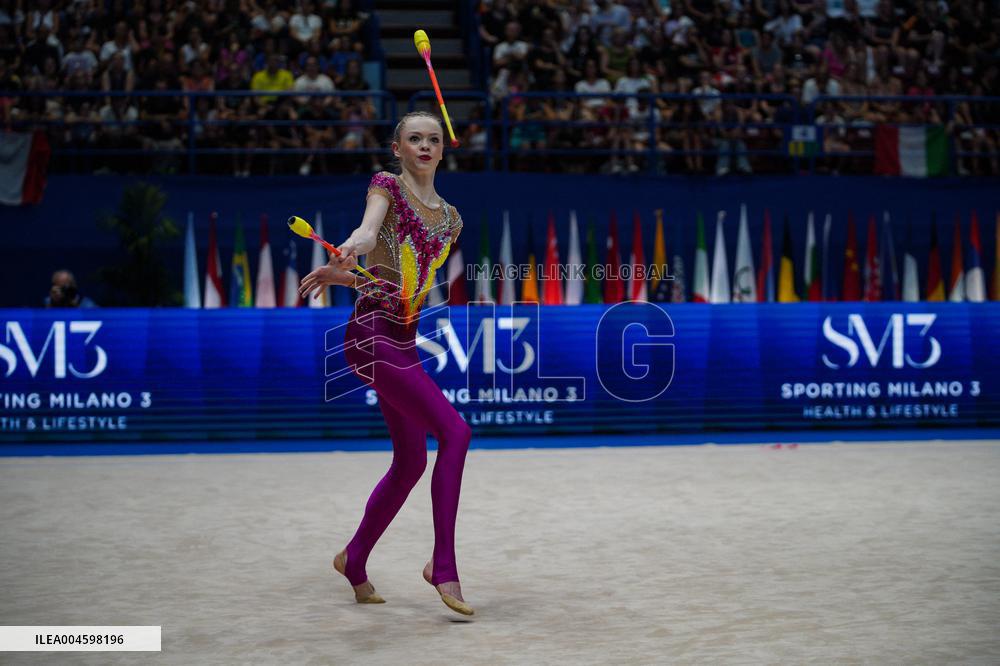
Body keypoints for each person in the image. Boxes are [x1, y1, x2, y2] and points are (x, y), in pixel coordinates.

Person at [298, 112, 474, 616]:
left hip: (404, 336)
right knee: (456, 434)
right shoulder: (386, 188)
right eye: (414, 138)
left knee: (412, 462)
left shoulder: (451, 219)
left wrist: (343, 278)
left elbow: (399, 285)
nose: (424, 145)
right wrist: (353, 247)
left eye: (432, 139)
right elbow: (370, 231)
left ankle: (354, 559)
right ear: (396, 148)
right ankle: (443, 565)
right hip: (371, 337)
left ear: (443, 148)